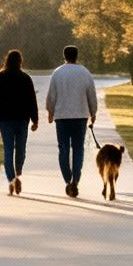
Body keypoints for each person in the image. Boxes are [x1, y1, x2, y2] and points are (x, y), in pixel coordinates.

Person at [45, 44, 98, 198]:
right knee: (78, 149)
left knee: (63, 148)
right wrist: (93, 113)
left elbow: (51, 96)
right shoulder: (85, 73)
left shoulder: (57, 73)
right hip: (80, 116)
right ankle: (76, 179)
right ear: (77, 56)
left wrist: (50, 112)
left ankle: (68, 179)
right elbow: (91, 95)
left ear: (64, 56)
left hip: (61, 117)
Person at [0, 49, 38, 196]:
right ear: (20, 61)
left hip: (6, 119)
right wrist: (35, 120)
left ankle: (11, 179)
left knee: (8, 150)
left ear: (7, 61)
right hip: (22, 119)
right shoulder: (25, 78)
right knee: (21, 149)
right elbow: (31, 100)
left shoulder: (1, 77)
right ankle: (18, 173)